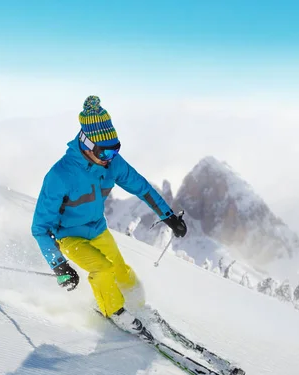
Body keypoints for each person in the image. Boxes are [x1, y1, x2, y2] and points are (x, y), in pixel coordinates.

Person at [31, 95, 187, 332]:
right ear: (87, 144)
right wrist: (59, 266)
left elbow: (142, 187)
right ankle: (115, 311)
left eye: (115, 151)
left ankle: (137, 306)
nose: (110, 159)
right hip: (68, 237)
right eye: (105, 153)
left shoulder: (111, 162)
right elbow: (40, 227)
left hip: (97, 229)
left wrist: (168, 216)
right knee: (102, 268)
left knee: (120, 270)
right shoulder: (60, 175)